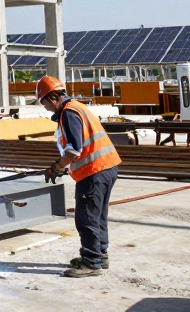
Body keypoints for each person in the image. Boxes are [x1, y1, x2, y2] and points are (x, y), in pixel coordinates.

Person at [37, 75, 122, 278]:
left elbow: (74, 150)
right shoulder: (77, 106)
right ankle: (99, 255)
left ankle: (92, 262)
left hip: (93, 172)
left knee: (86, 219)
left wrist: (57, 167)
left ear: (50, 98)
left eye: (43, 103)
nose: (45, 107)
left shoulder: (68, 113)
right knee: (98, 216)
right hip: (106, 167)